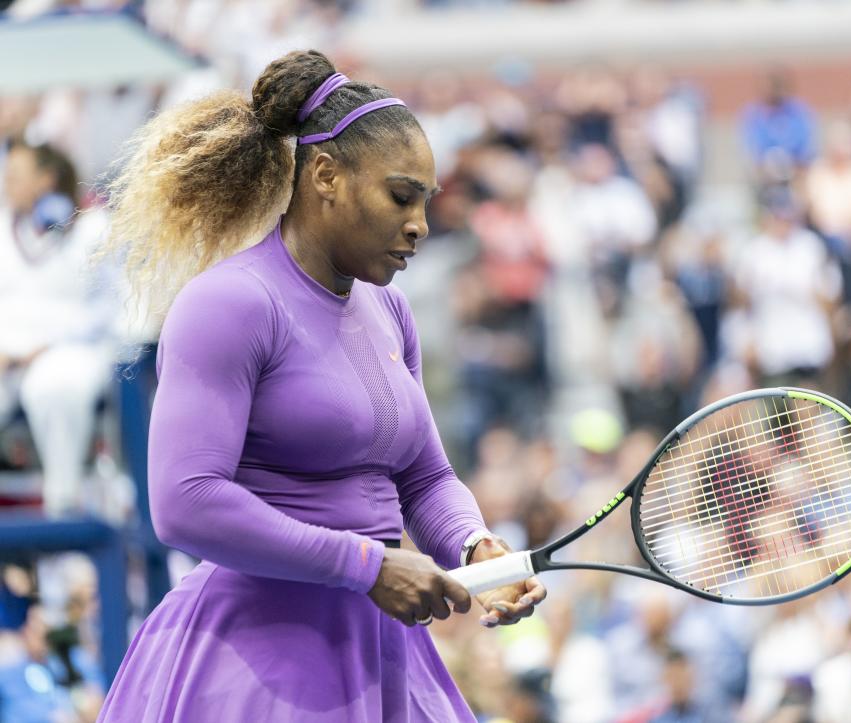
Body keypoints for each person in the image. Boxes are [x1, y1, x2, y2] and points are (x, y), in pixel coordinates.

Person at [96, 50, 546, 722]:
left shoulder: (389, 307)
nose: (419, 224)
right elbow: (183, 503)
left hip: (383, 652)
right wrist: (366, 564)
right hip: (251, 664)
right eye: (399, 197)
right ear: (326, 176)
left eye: (425, 202)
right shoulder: (229, 303)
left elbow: (422, 476)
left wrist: (473, 543)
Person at [0, 139, 115, 516]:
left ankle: (62, 509)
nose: (6, 183)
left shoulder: (94, 230)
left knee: (54, 388)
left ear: (46, 180)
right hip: (8, 355)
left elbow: (112, 309)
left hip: (74, 351)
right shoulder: (3, 229)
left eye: (15, 176)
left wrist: (45, 343)